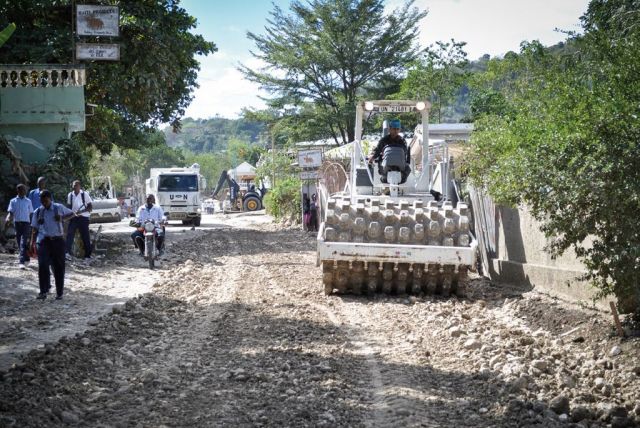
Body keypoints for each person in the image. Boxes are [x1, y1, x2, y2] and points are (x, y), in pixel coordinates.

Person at [30, 190, 76, 300]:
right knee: (42, 265)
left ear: (50, 199)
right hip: (44, 241)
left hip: (58, 241)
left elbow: (72, 214)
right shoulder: (38, 211)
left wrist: (62, 218)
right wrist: (31, 242)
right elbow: (34, 228)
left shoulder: (58, 208)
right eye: (42, 201)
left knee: (59, 267)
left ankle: (59, 293)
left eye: (45, 201)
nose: (44, 203)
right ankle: (43, 291)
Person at [368, 118, 411, 184]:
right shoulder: (384, 140)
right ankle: (384, 178)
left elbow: (405, 153)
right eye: (394, 129)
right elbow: (377, 150)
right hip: (385, 164)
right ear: (389, 129)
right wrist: (372, 157)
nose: (395, 131)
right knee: (381, 166)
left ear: (399, 130)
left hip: (400, 165)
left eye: (397, 129)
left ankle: (401, 179)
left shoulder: (402, 141)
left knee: (408, 169)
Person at [5, 184, 34, 269]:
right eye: (23, 190)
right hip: (17, 224)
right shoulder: (13, 201)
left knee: (23, 242)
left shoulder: (28, 201)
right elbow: (11, 213)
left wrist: (32, 224)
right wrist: (8, 219)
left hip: (26, 224)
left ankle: (21, 262)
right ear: (18, 191)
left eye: (25, 190)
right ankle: (27, 257)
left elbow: (31, 213)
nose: (25, 191)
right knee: (19, 242)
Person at [65, 180, 93, 260]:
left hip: (83, 217)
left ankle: (88, 255)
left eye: (76, 185)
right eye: (73, 186)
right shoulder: (70, 195)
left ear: (79, 186)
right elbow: (69, 207)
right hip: (74, 217)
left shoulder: (84, 194)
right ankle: (67, 253)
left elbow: (90, 207)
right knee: (70, 234)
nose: (74, 187)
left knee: (85, 236)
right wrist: (70, 215)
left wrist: (81, 211)